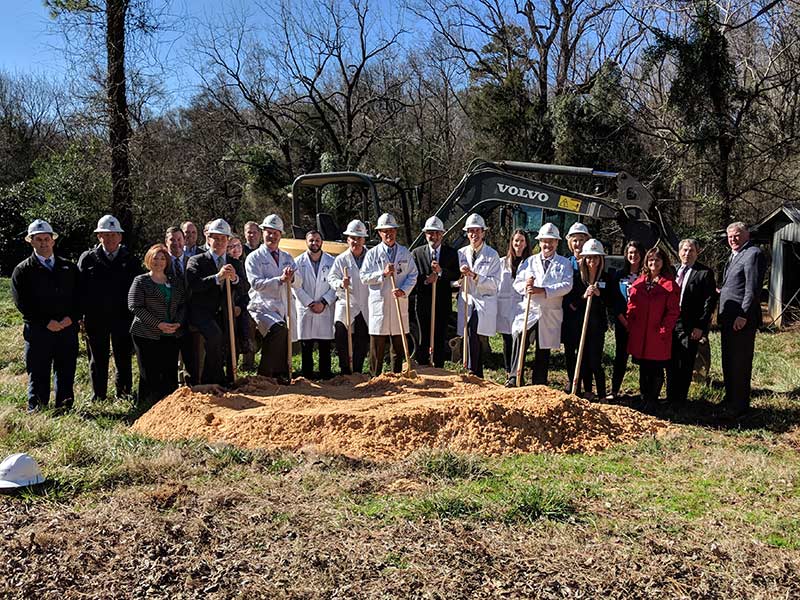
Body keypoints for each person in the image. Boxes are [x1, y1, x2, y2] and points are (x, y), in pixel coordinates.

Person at [11, 220, 81, 413]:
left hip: (67, 330)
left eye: (46, 239)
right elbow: (22, 303)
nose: (43, 243)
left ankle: (64, 408)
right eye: (38, 239)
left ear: (53, 241)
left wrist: (71, 318)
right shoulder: (22, 270)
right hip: (39, 332)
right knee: (38, 371)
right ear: (31, 242)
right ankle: (37, 409)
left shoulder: (69, 267)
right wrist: (46, 322)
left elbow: (80, 297)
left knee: (66, 370)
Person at [78, 214, 142, 401]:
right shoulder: (88, 258)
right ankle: (98, 395)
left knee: (123, 357)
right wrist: (79, 316)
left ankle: (123, 393)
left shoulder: (130, 259)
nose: (110, 238)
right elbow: (79, 289)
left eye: (114, 234)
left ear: (120, 237)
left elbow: (137, 289)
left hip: (123, 317)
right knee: (97, 358)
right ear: (99, 236)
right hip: (96, 317)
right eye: (106, 234)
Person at [508, 223, 573, 387]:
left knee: (543, 349)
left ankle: (539, 383)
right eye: (544, 241)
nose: (548, 245)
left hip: (550, 311)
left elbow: (566, 285)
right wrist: (527, 288)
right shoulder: (529, 261)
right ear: (540, 242)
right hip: (530, 309)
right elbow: (517, 283)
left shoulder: (564, 264)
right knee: (519, 338)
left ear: (557, 243)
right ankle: (515, 377)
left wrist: (543, 290)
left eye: (551, 241)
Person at [186, 218, 246, 385]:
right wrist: (217, 278)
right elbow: (194, 285)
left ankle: (228, 377)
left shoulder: (234, 262)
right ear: (208, 238)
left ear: (228, 241)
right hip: (202, 312)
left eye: (223, 238)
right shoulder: (196, 260)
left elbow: (244, 287)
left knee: (229, 339)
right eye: (216, 238)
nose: (219, 242)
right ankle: (209, 380)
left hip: (224, 311)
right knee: (215, 336)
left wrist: (234, 278)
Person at [245, 214, 303, 383]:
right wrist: (279, 280)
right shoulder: (254, 258)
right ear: (263, 233)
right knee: (278, 330)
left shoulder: (287, 257)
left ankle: (281, 374)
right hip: (262, 305)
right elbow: (256, 283)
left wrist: (291, 278)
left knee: (284, 334)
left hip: (283, 304)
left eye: (275, 233)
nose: (272, 236)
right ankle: (265, 375)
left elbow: (299, 281)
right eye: (268, 232)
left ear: (280, 235)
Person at [128, 244, 187, 406]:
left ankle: (168, 407)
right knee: (149, 373)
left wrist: (178, 323)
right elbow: (134, 306)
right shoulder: (141, 281)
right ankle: (146, 407)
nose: (159, 262)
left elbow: (182, 304)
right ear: (148, 260)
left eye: (162, 258)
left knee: (169, 373)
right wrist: (158, 324)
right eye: (155, 258)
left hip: (171, 334)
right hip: (146, 334)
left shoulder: (174, 282)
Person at [718, 222, 767, 417]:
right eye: (730, 236)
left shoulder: (753, 254)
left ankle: (739, 406)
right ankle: (730, 399)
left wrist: (743, 315)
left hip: (741, 320)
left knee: (739, 363)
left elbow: (752, 289)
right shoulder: (734, 254)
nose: (733, 239)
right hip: (728, 319)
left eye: (737, 235)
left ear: (747, 234)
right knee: (728, 361)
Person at [361, 213, 419, 376]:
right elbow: (363, 277)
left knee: (398, 346)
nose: (389, 234)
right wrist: (383, 273)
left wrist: (404, 290)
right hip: (380, 303)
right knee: (377, 347)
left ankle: (397, 376)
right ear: (380, 233)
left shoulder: (405, 253)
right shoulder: (372, 254)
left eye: (391, 230)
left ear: (396, 232)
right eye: (385, 231)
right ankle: (374, 377)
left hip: (398, 302)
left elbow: (413, 274)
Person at [664, 239, 717, 407]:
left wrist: (700, 327)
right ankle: (670, 397)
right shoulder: (672, 270)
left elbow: (709, 302)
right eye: (685, 250)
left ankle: (680, 400)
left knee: (686, 362)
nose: (687, 254)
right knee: (671, 361)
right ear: (679, 252)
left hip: (691, 324)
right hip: (671, 321)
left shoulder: (704, 273)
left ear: (697, 252)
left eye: (691, 251)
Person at [626, 247, 681, 409]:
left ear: (663, 262)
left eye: (657, 260)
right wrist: (631, 320)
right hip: (641, 333)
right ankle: (644, 397)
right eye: (650, 260)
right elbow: (632, 304)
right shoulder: (641, 282)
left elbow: (673, 312)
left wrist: (664, 329)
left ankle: (653, 399)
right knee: (643, 367)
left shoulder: (669, 285)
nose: (653, 263)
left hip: (658, 333)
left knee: (656, 368)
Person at [412, 216, 460, 368]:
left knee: (440, 336)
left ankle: (439, 367)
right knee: (424, 336)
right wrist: (426, 280)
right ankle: (423, 367)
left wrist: (440, 272)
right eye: (430, 233)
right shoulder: (417, 253)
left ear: (442, 234)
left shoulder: (451, 254)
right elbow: (412, 276)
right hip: (423, 303)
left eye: (437, 233)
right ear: (425, 235)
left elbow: (455, 274)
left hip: (442, 302)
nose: (434, 236)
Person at [456, 213, 501, 378]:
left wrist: (475, 276)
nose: (473, 234)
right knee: (469, 333)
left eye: (477, 230)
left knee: (474, 331)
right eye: (470, 231)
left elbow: (495, 283)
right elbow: (454, 281)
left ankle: (475, 370)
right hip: (467, 298)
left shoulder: (492, 255)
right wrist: (460, 278)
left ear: (483, 232)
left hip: (483, 300)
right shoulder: (460, 253)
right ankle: (471, 368)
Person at [570, 239, 612, 399]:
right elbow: (572, 304)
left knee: (595, 360)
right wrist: (583, 296)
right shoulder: (578, 278)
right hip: (580, 325)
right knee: (582, 359)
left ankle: (602, 394)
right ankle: (585, 391)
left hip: (597, 326)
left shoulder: (606, 279)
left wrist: (600, 295)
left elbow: (611, 301)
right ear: (584, 259)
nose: (592, 261)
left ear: (600, 259)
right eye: (589, 257)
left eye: (595, 257)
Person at [328, 220, 370, 375]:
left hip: (366, 301)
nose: (356, 241)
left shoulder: (371, 257)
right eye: (353, 238)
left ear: (364, 240)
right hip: (347, 301)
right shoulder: (341, 259)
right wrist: (341, 283)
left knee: (362, 336)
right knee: (340, 331)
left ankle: (357, 369)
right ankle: (345, 368)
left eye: (359, 238)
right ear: (347, 239)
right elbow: (331, 278)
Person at [294, 230, 336, 379]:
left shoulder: (331, 262)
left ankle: (326, 374)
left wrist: (324, 302)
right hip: (307, 307)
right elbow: (296, 287)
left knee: (325, 344)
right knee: (306, 345)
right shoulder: (298, 262)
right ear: (306, 242)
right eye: (311, 240)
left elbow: (335, 286)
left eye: (317, 240)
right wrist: (310, 303)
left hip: (325, 307)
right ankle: (307, 376)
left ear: (322, 242)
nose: (314, 243)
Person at [607, 240, 645, 399]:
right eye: (630, 253)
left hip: (643, 324)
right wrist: (623, 320)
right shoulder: (618, 275)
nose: (633, 256)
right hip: (623, 323)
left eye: (636, 253)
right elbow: (614, 300)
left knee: (643, 358)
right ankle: (614, 390)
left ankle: (645, 392)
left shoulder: (647, 275)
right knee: (620, 356)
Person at [561, 222, 591, 390]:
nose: (578, 244)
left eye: (581, 240)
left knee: (586, 352)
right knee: (570, 351)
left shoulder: (593, 262)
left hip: (586, 315)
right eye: (575, 240)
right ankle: (573, 383)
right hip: (569, 316)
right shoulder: (565, 263)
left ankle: (587, 386)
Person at [497, 230, 530, 379]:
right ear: (511, 242)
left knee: (519, 339)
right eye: (516, 241)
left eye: (522, 241)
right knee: (507, 339)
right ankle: (508, 370)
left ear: (526, 243)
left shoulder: (531, 262)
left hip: (521, 305)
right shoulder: (502, 262)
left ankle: (517, 372)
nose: (519, 244)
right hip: (504, 305)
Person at [226, 235, 256, 368]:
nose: (235, 249)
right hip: (230, 305)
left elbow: (247, 288)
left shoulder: (246, 262)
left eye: (238, 245)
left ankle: (248, 363)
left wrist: (242, 306)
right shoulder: (227, 264)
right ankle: (232, 364)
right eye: (231, 247)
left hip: (245, 304)